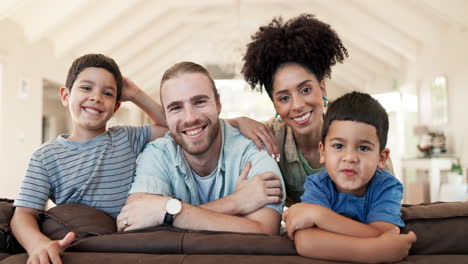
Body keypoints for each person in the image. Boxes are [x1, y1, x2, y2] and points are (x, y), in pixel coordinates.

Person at [10, 54, 168, 264]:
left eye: (108, 93)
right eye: (86, 88)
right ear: (65, 96)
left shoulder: (126, 137)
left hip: (130, 242)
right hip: (83, 244)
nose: (96, 97)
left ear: (116, 106)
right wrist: (37, 243)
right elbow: (23, 214)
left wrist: (136, 94)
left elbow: (171, 127)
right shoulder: (46, 156)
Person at [239, 13, 394, 205]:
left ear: (322, 88)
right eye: (284, 98)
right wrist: (237, 122)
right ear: (275, 105)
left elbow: (387, 204)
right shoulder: (269, 138)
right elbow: (215, 132)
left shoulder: (357, 128)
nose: (297, 105)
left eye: (305, 89)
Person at [117, 61, 285, 235]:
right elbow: (132, 223)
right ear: (165, 117)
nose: (190, 118)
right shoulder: (157, 153)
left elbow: (265, 231)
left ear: (218, 104)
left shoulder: (253, 149)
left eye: (199, 102)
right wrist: (235, 202)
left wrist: (166, 213)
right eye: (176, 108)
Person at [282, 91, 416, 263]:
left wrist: (319, 216)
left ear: (381, 158)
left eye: (363, 148)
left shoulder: (386, 186)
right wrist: (374, 250)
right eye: (338, 145)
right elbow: (305, 242)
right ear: (322, 151)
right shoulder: (317, 185)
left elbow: (384, 233)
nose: (350, 157)